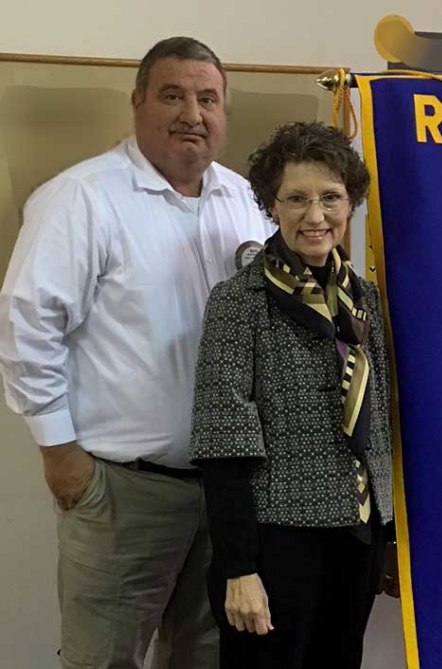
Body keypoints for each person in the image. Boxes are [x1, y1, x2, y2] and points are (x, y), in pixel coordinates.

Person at [0, 36, 273, 669]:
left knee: (207, 656)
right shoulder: (83, 198)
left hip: (231, 492)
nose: (192, 114)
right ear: (137, 104)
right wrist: (60, 453)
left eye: (208, 98)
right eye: (172, 95)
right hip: (126, 493)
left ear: (224, 112)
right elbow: (26, 325)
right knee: (104, 659)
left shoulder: (249, 202)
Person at [189, 121, 397, 669]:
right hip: (275, 543)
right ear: (271, 205)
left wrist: (389, 532)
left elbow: (380, 422)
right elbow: (222, 442)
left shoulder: (366, 300)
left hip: (357, 535)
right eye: (297, 199)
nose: (315, 216)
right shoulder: (241, 302)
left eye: (331, 198)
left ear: (350, 203)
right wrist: (239, 569)